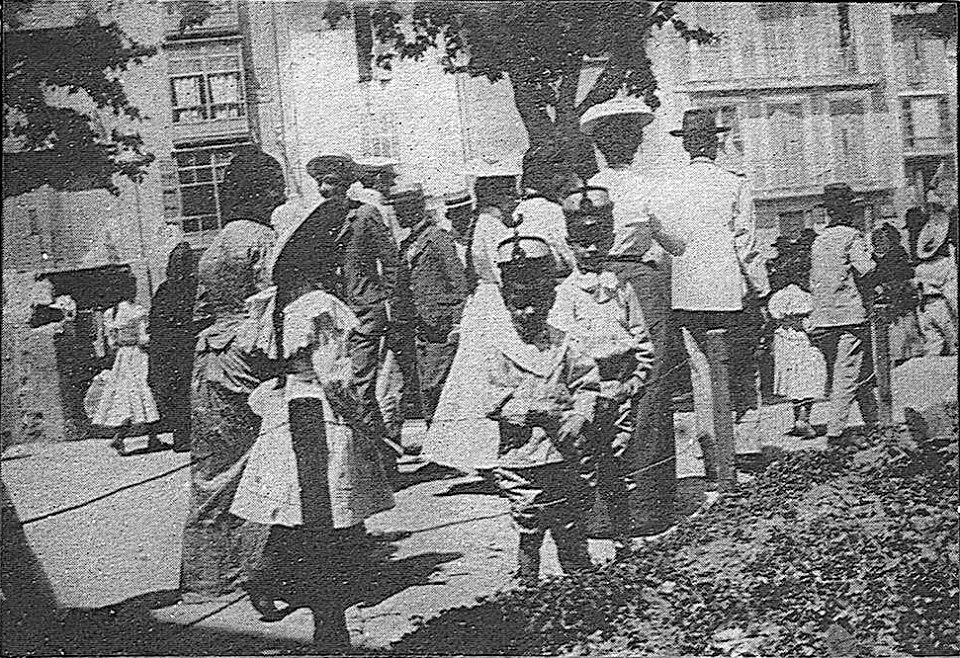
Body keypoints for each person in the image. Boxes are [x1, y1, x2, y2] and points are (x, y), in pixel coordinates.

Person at [230, 236, 394, 651]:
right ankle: (327, 597)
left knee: (292, 506)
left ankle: (271, 578)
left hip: (287, 404)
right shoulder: (320, 306)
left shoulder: (277, 304)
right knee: (325, 503)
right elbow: (332, 372)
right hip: (317, 410)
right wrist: (360, 415)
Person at [180, 146, 285, 603]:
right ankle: (257, 575)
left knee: (211, 471)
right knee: (260, 465)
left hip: (208, 360)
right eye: (277, 186)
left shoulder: (214, 246)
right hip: (250, 356)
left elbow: (202, 312)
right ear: (263, 191)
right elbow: (273, 306)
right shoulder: (263, 239)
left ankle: (203, 581)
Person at [580, 97, 686, 533]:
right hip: (642, 283)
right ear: (635, 142)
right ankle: (648, 502)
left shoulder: (585, 189)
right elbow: (677, 244)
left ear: (601, 146)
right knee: (651, 383)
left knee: (602, 380)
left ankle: (602, 504)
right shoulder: (648, 187)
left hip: (595, 284)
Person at [660, 108, 770, 471]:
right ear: (716, 142)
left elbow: (665, 242)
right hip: (729, 294)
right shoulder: (734, 182)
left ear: (686, 145)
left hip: (688, 296)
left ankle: (711, 456)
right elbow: (747, 245)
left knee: (701, 375)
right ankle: (746, 449)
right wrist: (762, 290)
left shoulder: (671, 186)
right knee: (741, 369)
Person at [549, 186, 655, 559]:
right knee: (582, 472)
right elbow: (559, 355)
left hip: (620, 390)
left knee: (619, 468)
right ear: (568, 243)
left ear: (609, 238)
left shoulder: (622, 288)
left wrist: (631, 385)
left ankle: (623, 540)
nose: (590, 250)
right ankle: (580, 555)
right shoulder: (564, 295)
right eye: (581, 242)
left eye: (597, 241)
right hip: (583, 398)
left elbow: (643, 346)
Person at [487, 235, 599, 586]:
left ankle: (580, 581)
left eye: (536, 303)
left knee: (569, 521)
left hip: (565, 452)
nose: (528, 312)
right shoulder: (501, 349)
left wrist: (581, 415)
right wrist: (533, 412)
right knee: (529, 521)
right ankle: (528, 585)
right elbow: (494, 398)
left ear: (550, 299)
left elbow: (587, 384)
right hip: (522, 456)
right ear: (507, 302)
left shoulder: (565, 344)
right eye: (519, 305)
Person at [294, 153, 405, 482]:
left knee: (358, 386)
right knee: (343, 387)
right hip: (335, 316)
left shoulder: (366, 215)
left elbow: (392, 261)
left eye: (331, 183)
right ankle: (376, 458)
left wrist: (383, 300)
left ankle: (379, 463)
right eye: (321, 184)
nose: (325, 189)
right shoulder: (320, 221)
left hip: (365, 313)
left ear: (346, 185)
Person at [420, 165, 522, 472]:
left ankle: (481, 453)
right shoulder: (493, 228)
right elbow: (505, 270)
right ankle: (489, 453)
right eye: (510, 196)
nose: (514, 202)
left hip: (482, 306)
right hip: (495, 304)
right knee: (495, 374)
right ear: (499, 196)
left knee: (475, 378)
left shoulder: (480, 225)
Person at [808, 182, 880, 446]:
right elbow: (866, 270)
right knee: (848, 376)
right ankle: (835, 434)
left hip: (823, 318)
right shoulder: (852, 236)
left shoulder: (819, 239)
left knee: (858, 374)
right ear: (848, 210)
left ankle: (876, 424)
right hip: (849, 317)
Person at [392, 184, 468, 424]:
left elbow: (459, 281)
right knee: (427, 385)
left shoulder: (437, 238)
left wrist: (457, 321)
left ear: (415, 209)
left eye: (400, 208)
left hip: (442, 325)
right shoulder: (407, 244)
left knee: (435, 386)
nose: (397, 214)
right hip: (421, 326)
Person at [89, 273, 161, 456]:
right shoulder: (138, 311)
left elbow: (112, 343)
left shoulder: (111, 312)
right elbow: (144, 339)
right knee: (145, 392)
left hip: (122, 357)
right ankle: (149, 437)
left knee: (127, 396)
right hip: (138, 355)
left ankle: (122, 436)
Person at [148, 242, 198, 452]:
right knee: (186, 391)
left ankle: (182, 436)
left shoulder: (163, 289)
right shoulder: (193, 286)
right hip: (183, 346)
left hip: (167, 348)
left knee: (177, 393)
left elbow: (154, 322)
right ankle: (184, 437)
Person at [767, 265, 827, 439]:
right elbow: (810, 327)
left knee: (793, 385)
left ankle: (796, 420)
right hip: (802, 345)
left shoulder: (778, 299)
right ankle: (803, 419)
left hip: (783, 345)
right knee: (808, 382)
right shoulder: (805, 300)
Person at [914, 206, 958, 356]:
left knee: (933, 346)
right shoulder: (946, 265)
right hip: (942, 306)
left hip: (925, 308)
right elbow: (952, 295)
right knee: (953, 346)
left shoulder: (920, 268)